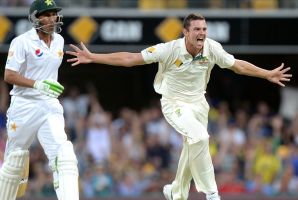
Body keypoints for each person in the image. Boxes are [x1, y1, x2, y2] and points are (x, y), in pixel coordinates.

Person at [66, 13, 292, 200]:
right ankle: (211, 192)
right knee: (201, 138)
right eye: (197, 29)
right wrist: (94, 57)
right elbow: (130, 58)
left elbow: (238, 66)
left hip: (199, 104)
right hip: (173, 104)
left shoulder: (212, 48)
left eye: (204, 29)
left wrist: (267, 74)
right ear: (185, 32)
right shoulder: (169, 49)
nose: (202, 33)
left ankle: (176, 192)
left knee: (191, 145)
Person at [0, 0, 79, 200]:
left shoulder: (60, 41)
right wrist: (37, 84)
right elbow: (9, 75)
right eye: (46, 14)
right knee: (14, 161)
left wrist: (45, 88)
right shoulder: (22, 42)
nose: (52, 18)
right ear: (35, 18)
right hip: (24, 105)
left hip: (49, 104)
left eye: (54, 14)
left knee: (64, 156)